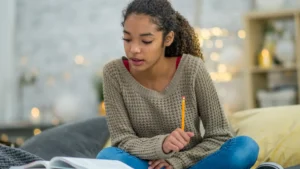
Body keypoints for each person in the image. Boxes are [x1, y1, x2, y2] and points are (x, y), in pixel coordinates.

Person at [96, 0, 259, 169]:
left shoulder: (192, 68)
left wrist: (177, 162)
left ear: (168, 38)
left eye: (146, 41)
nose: (134, 49)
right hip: (145, 165)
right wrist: (162, 145)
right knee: (107, 156)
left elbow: (220, 136)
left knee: (245, 148)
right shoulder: (114, 73)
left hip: (191, 163)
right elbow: (122, 140)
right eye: (127, 39)